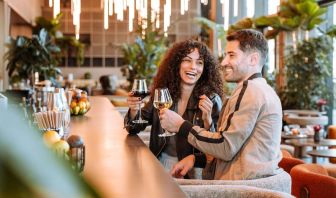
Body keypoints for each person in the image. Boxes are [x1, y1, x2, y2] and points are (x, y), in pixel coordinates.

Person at [159, 29, 283, 180]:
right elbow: (236, 148)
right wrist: (195, 159)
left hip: (238, 189)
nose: (223, 62)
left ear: (253, 59)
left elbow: (225, 147)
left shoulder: (250, 90)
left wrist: (181, 125)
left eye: (231, 55)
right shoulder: (261, 89)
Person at [124, 40, 223, 177]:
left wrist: (208, 121)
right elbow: (133, 128)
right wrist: (135, 109)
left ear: (205, 69)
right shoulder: (162, 95)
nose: (193, 67)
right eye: (187, 61)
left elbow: (216, 148)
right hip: (160, 163)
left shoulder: (211, 100)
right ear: (177, 64)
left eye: (199, 62)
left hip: (192, 170)